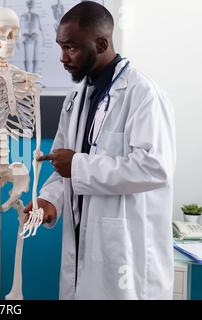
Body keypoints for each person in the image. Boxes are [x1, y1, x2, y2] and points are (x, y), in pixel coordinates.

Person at [24, 1, 176, 299]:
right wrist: (49, 201)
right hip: (85, 240)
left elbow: (155, 167)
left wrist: (79, 166)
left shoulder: (143, 95)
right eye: (60, 46)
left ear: (102, 43)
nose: (62, 57)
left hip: (127, 247)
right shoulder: (77, 97)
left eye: (71, 48)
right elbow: (60, 162)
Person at [19, 0, 46, 73]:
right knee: (26, 58)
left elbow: (40, 28)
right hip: (25, 37)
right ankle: (27, 74)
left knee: (35, 57)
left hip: (34, 37)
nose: (29, 5)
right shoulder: (22, 16)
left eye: (31, 4)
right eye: (28, 4)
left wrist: (44, 39)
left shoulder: (36, 16)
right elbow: (19, 28)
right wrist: (18, 40)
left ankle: (34, 75)